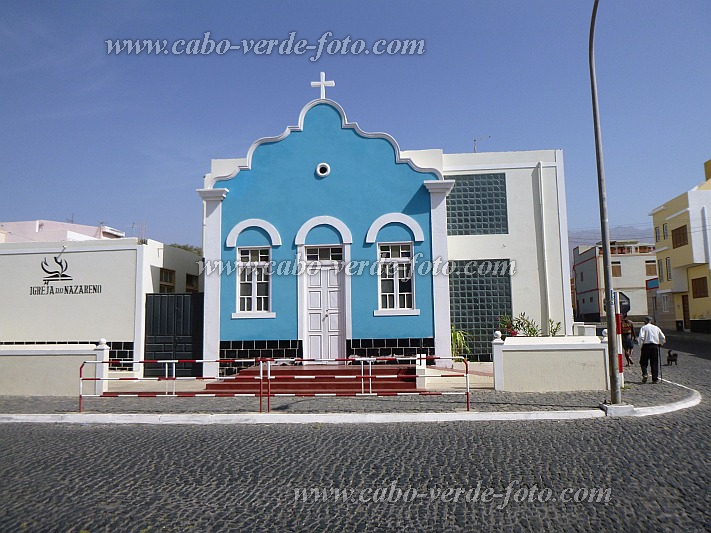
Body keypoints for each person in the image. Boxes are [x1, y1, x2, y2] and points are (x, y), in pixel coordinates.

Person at [638, 316, 665, 384]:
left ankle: (645, 374)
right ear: (651, 321)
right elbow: (662, 337)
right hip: (654, 346)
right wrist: (660, 343)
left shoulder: (644, 328)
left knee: (643, 362)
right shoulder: (656, 328)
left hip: (646, 346)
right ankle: (655, 379)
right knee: (654, 362)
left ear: (645, 321)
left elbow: (641, 337)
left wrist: (640, 345)